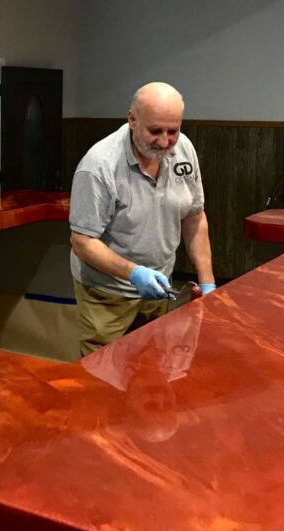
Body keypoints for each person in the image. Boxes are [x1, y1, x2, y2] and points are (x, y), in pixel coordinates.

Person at [69, 82, 215, 357]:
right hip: (107, 295)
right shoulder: (99, 165)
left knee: (151, 377)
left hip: (161, 288)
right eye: (155, 131)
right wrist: (134, 274)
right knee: (103, 378)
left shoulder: (183, 149)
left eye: (173, 131)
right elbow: (82, 242)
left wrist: (208, 285)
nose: (164, 142)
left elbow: (194, 217)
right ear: (132, 120)